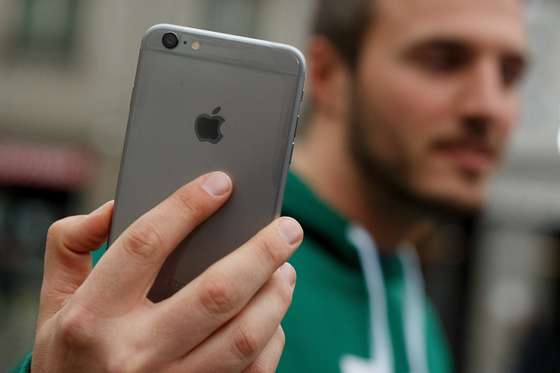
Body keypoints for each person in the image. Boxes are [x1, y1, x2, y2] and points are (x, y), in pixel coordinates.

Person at [13, 0, 528, 372]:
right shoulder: (191, 268)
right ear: (325, 75)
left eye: (509, 73)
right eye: (443, 60)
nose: (488, 105)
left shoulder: (408, 289)